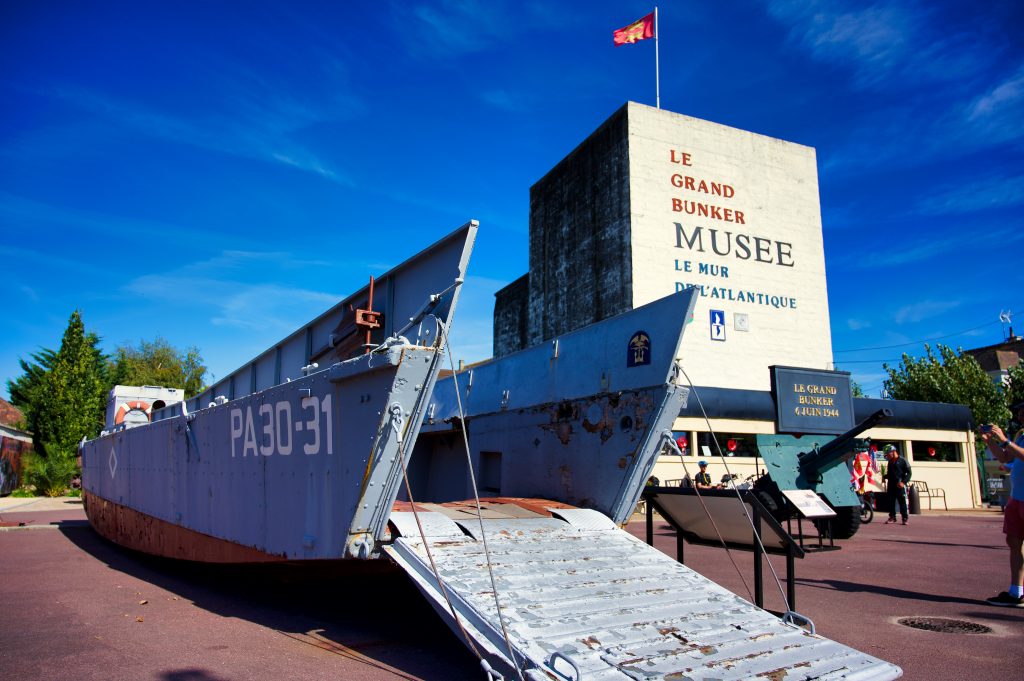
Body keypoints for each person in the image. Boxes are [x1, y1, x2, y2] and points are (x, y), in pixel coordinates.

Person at [980, 400, 1024, 608]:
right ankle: (1016, 592)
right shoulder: (1021, 436)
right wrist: (990, 442)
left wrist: (1005, 440)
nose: (1020, 416)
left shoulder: (1014, 439)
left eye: (1023, 412)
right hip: (1017, 499)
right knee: (1014, 543)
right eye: (1020, 412)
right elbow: (1007, 460)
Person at [883, 444, 911, 525]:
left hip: (899, 484)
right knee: (891, 502)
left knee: (902, 502)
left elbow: (909, 473)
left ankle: (904, 518)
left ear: (893, 452)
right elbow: (891, 473)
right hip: (891, 485)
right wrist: (885, 476)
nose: (887, 456)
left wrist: (903, 482)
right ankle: (892, 517)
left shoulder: (903, 460)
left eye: (888, 454)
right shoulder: (890, 462)